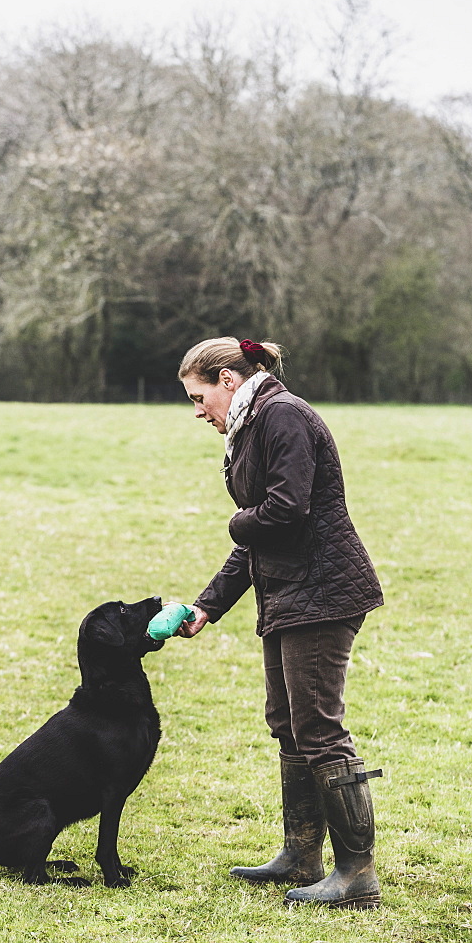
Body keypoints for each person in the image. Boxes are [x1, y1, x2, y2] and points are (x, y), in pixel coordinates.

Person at [178, 336, 384, 909]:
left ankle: (357, 874)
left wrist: (236, 523)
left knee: (318, 728)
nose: (197, 412)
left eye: (199, 397)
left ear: (227, 380)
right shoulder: (253, 423)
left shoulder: (282, 417)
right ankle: (301, 855)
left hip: (322, 593)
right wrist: (207, 606)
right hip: (291, 592)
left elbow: (285, 512)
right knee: (288, 724)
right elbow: (263, 537)